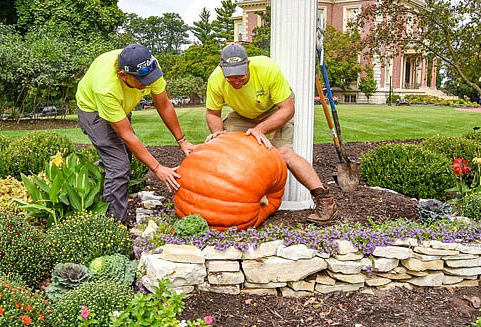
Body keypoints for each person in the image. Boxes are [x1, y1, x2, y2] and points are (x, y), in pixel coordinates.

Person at [205, 43, 337, 224]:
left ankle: (325, 201)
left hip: (275, 109)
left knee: (283, 153)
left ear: (248, 64)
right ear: (222, 69)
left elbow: (287, 109)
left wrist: (260, 129)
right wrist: (218, 134)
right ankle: (224, 202)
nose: (236, 81)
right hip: (243, 113)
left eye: (241, 76)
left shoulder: (267, 69)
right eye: (231, 78)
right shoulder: (215, 80)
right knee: (222, 150)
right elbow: (212, 113)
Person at [76, 43, 195, 225]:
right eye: (142, 81)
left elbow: (163, 105)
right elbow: (127, 135)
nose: (148, 83)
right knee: (119, 167)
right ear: (123, 76)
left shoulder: (149, 68)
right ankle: (114, 228)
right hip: (92, 110)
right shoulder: (106, 87)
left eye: (150, 78)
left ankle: (96, 181)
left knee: (122, 159)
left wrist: (182, 141)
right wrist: (157, 168)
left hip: (121, 106)